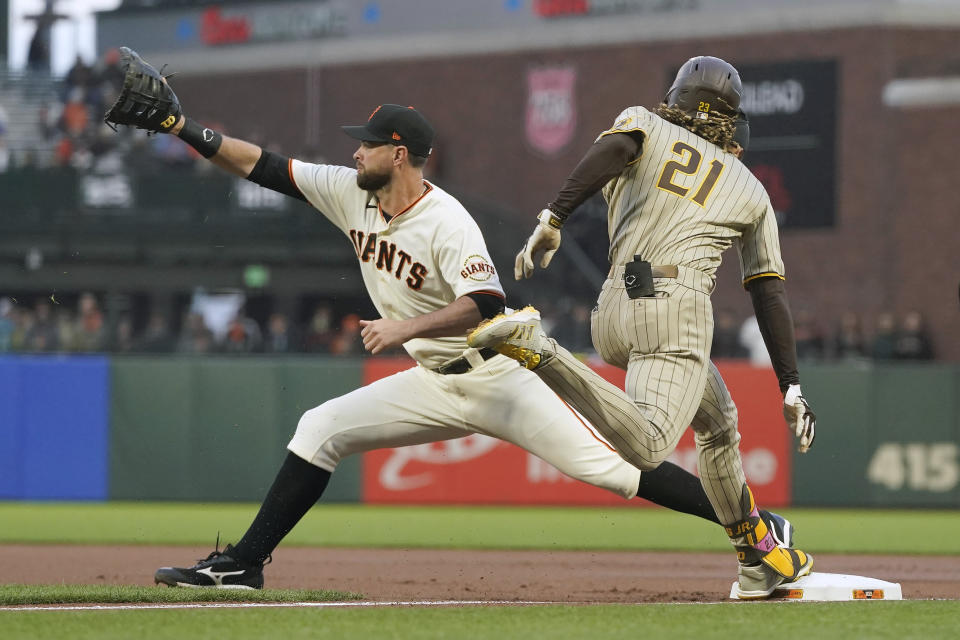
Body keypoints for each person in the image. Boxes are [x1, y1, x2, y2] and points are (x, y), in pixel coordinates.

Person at [103, 50, 791, 592]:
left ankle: (755, 528)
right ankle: (242, 564)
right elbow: (265, 167)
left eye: (367, 145)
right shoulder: (352, 194)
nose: (354, 154)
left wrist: (405, 328)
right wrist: (179, 127)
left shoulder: (447, 221)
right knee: (320, 428)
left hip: (498, 378)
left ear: (397, 153)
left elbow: (490, 307)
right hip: (432, 380)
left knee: (620, 471)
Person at [469, 56, 817, 599]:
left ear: (675, 97)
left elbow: (613, 151)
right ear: (733, 122)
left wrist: (552, 217)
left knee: (721, 423)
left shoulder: (645, 124)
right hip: (675, 307)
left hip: (614, 307)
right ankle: (538, 349)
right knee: (651, 447)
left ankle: (755, 557)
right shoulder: (749, 187)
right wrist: (790, 383)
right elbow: (767, 290)